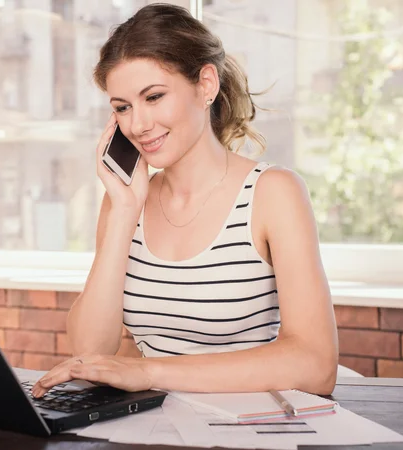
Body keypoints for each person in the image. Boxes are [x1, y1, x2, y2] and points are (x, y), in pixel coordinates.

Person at [32, 3, 338, 398]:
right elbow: (90, 353)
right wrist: (125, 211)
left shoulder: (273, 193)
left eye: (154, 97)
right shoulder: (125, 202)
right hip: (152, 426)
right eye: (122, 107)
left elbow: (315, 365)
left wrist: (149, 373)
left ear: (206, 85)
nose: (137, 125)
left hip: (249, 425)